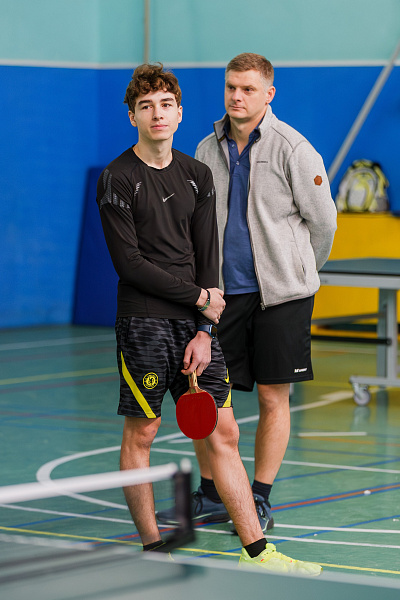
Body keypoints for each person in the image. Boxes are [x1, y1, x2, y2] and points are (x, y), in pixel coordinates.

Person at [96, 62, 322, 574]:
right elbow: (130, 264)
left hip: (194, 325)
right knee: (144, 432)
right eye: (146, 106)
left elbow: (208, 254)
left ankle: (257, 552)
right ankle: (153, 550)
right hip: (144, 323)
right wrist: (201, 297)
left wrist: (204, 327)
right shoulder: (117, 178)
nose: (158, 114)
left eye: (166, 105)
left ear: (179, 112)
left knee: (224, 432)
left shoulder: (196, 174)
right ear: (132, 116)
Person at [156, 53, 337, 533]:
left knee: (274, 398)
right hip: (220, 298)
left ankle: (258, 498)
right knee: (208, 394)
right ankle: (213, 493)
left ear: (269, 94)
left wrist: (297, 271)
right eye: (231, 87)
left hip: (282, 299)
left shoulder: (294, 148)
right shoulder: (204, 148)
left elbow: (324, 223)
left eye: (248, 89)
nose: (237, 96)